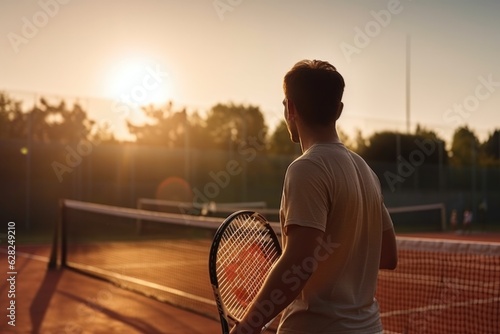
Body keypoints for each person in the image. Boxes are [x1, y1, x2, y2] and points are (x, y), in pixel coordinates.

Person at [230, 60, 398, 334]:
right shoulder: (367, 172)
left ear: (290, 108)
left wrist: (249, 325)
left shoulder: (306, 168)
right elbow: (388, 255)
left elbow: (299, 261)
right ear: (338, 110)